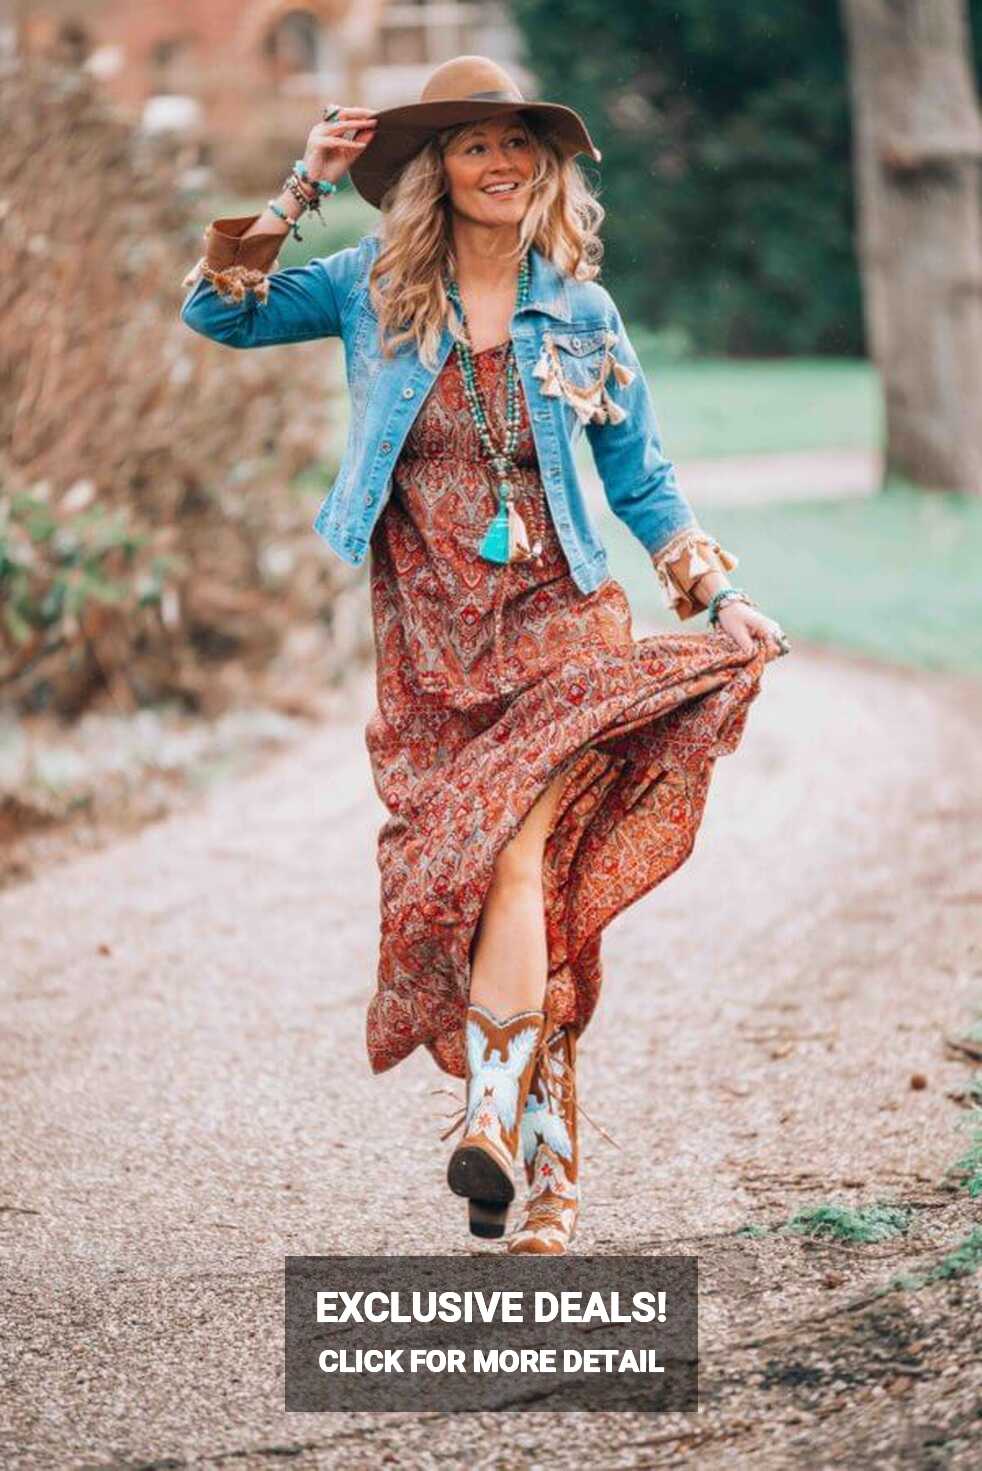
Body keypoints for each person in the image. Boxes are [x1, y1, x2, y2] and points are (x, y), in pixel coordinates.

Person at [180, 54, 789, 1255]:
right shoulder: (370, 289)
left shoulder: (583, 311)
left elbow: (641, 479)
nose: (501, 162)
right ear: (433, 171)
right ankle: (550, 1170)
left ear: (544, 164)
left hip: (561, 619)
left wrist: (715, 591)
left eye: (519, 142)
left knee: (518, 854)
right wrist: (302, 181)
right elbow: (217, 310)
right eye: (472, 145)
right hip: (429, 637)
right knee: (493, 891)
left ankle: (491, 1125)